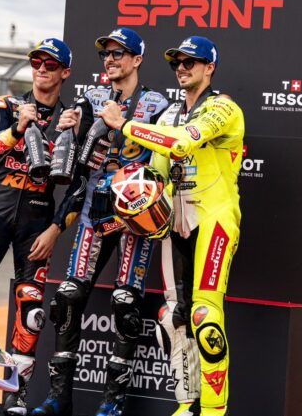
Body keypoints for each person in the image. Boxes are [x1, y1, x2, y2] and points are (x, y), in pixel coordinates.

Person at [98, 36, 245, 416]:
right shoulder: (167, 117)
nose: (181, 68)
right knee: (175, 317)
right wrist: (131, 199)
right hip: (174, 225)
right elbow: (160, 173)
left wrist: (124, 125)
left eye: (190, 62)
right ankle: (186, 404)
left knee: (205, 316)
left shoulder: (223, 109)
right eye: (176, 62)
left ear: (209, 67)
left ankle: (213, 410)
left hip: (215, 219)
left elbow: (181, 145)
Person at [33, 28, 169, 416]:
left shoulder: (157, 104)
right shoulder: (91, 98)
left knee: (126, 301)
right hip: (96, 206)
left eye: (118, 54)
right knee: (68, 295)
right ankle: (59, 397)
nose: (110, 60)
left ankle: (113, 402)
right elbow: (73, 157)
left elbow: (166, 154)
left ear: (137, 60)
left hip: (135, 210)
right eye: (105, 54)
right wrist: (71, 125)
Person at [0, 38, 89, 416]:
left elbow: (80, 185)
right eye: (36, 62)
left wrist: (56, 229)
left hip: (37, 222)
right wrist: (18, 128)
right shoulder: (5, 106)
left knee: (31, 310)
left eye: (51, 64)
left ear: (65, 72)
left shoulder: (73, 120)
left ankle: (16, 394)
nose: (42, 69)